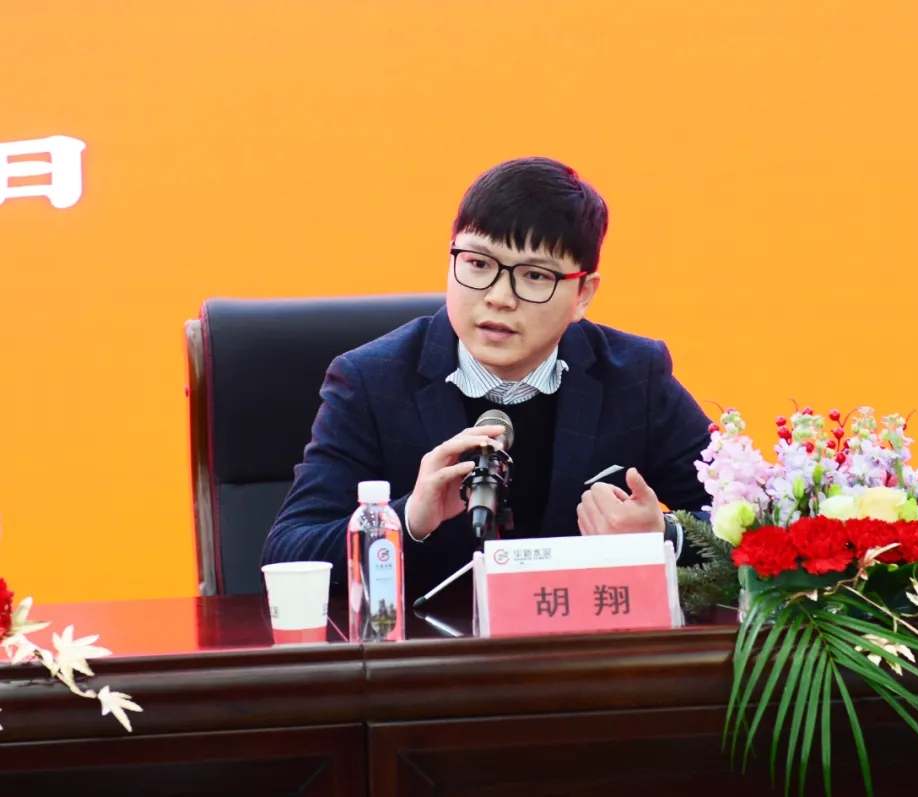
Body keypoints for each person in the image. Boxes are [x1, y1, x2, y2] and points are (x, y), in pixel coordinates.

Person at [261, 156, 712, 598]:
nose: (498, 297)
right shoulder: (372, 382)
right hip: (436, 645)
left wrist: (664, 536)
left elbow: (748, 521)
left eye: (534, 275)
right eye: (478, 264)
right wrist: (408, 519)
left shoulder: (634, 377)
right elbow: (287, 552)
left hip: (583, 643)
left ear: (583, 294)